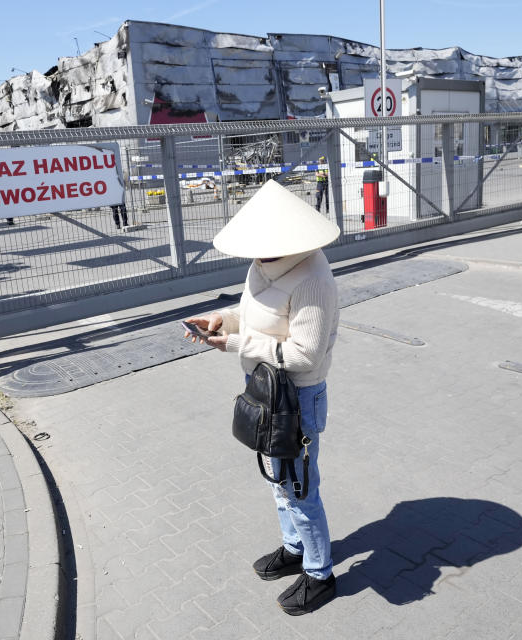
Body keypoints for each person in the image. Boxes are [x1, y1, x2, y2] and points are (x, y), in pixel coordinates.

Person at [183, 180, 341, 615]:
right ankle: (295, 548)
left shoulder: (313, 278)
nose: (255, 252)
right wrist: (221, 319)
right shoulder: (261, 264)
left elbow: (304, 354)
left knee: (299, 488)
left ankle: (320, 573)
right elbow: (253, 313)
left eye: (262, 244)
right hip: (267, 392)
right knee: (278, 482)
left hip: (299, 397)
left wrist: (236, 344)